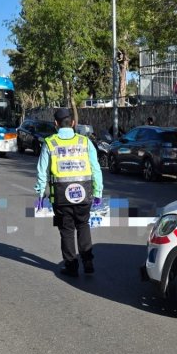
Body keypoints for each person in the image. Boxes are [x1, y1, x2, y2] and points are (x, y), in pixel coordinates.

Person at [35, 108, 103, 277]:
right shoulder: (85, 142)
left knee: (66, 230)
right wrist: (98, 192)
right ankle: (88, 262)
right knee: (83, 225)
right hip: (84, 194)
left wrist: (40, 194)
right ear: (73, 123)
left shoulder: (50, 143)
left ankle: (71, 267)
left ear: (55, 124)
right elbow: (96, 169)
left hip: (60, 196)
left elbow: (42, 171)